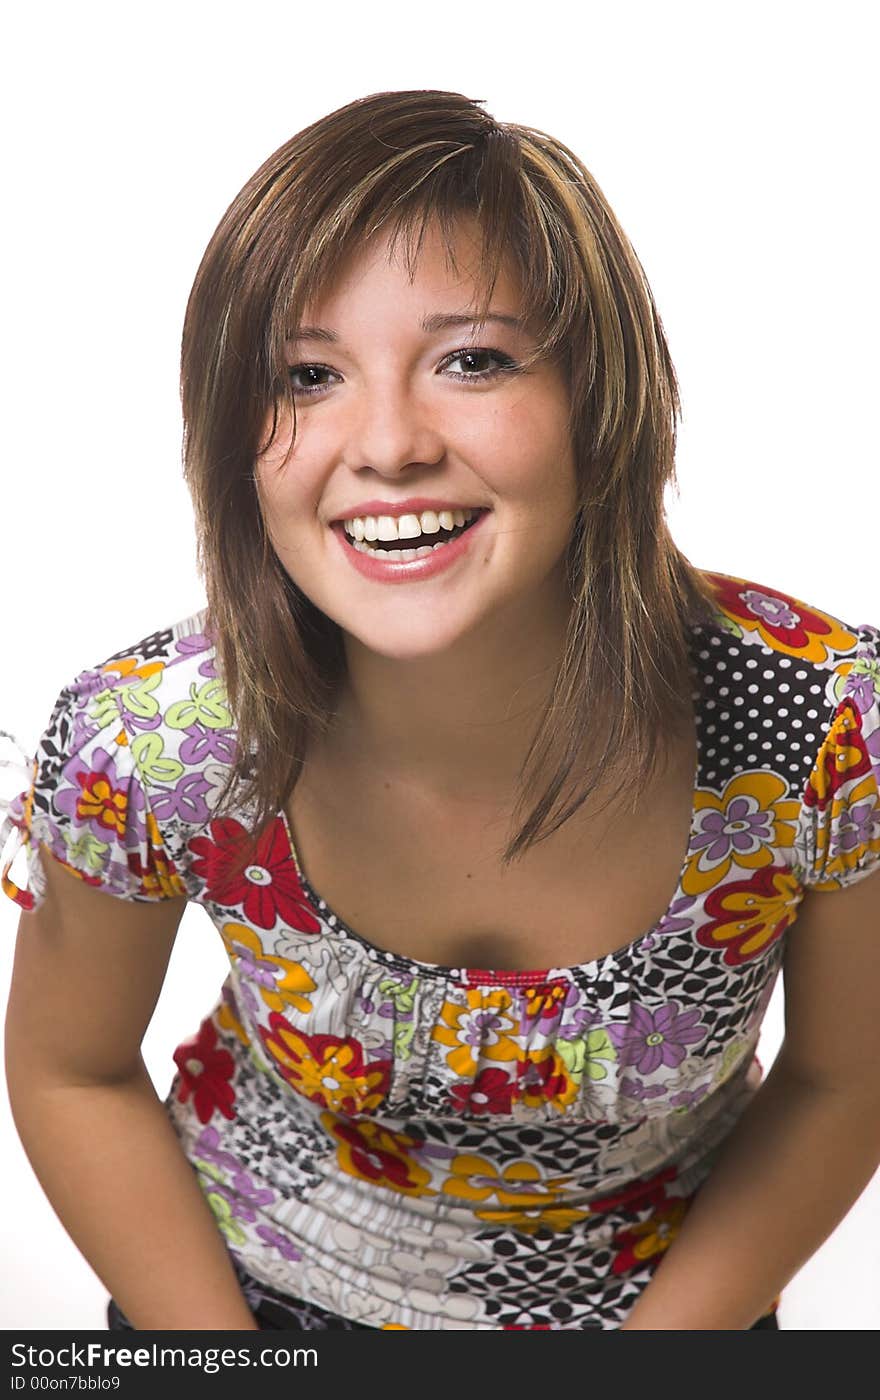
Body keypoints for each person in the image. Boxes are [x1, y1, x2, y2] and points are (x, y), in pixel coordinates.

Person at [1, 89, 878, 1334]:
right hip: (238, 1299)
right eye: (307, 375)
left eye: (471, 359)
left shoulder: (826, 725)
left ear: (599, 394)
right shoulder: (145, 742)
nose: (389, 443)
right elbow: (69, 1066)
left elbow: (844, 1078)